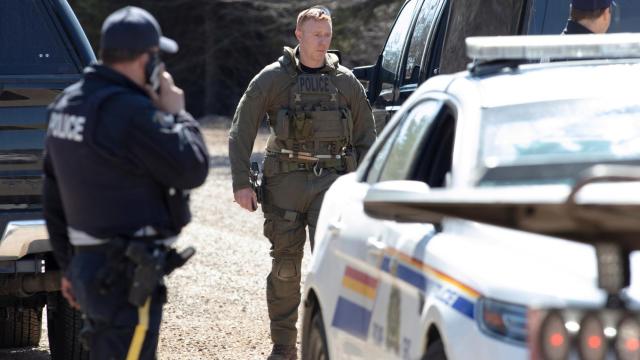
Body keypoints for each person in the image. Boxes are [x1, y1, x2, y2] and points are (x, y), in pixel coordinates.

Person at [43, 6, 209, 360]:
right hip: (126, 279)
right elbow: (193, 167)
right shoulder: (131, 112)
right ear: (145, 60)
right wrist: (177, 111)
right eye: (157, 58)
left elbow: (52, 196)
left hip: (89, 268)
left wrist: (68, 266)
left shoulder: (66, 106)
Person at [229, 5, 375, 359]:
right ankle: (284, 346)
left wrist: (363, 189)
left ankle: (333, 345)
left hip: (332, 185)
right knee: (285, 268)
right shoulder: (272, 79)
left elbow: (366, 137)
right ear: (299, 35)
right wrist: (241, 183)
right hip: (285, 185)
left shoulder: (345, 82)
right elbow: (241, 130)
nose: (323, 42)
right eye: (316, 35)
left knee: (335, 267)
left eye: (327, 35)